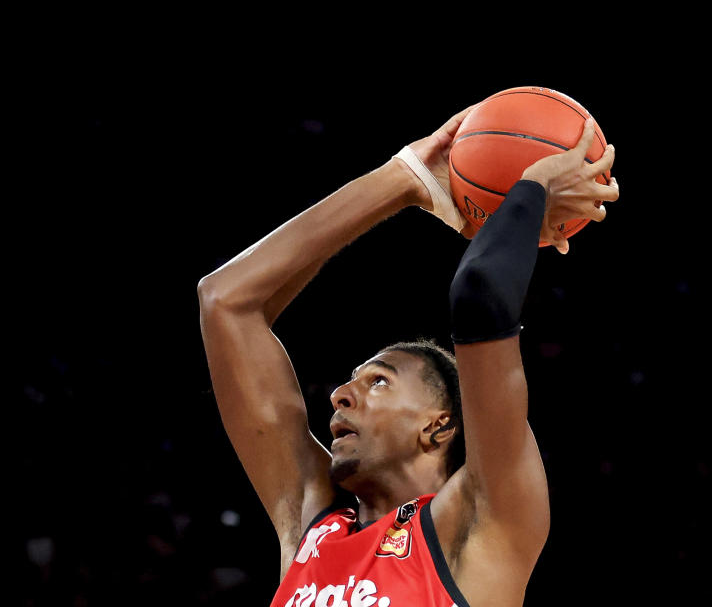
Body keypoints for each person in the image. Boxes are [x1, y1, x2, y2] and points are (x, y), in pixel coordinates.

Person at [197, 105, 618, 607]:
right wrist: (406, 176)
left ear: (439, 426)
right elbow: (225, 301)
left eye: (378, 381)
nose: (339, 396)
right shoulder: (309, 524)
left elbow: (482, 295)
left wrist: (530, 190)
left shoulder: (482, 521)